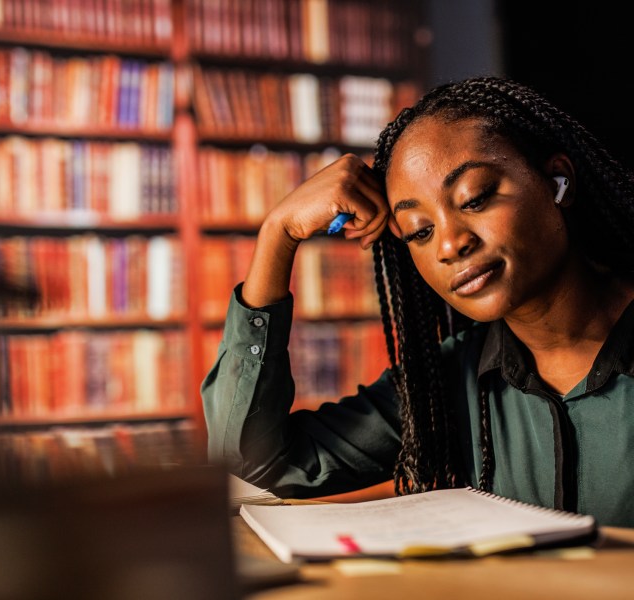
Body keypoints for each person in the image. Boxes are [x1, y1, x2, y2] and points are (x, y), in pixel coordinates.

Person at [201, 76, 634, 527]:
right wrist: (278, 234)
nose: (450, 244)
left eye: (476, 198)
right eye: (420, 231)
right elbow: (250, 468)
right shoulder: (444, 383)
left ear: (558, 180)